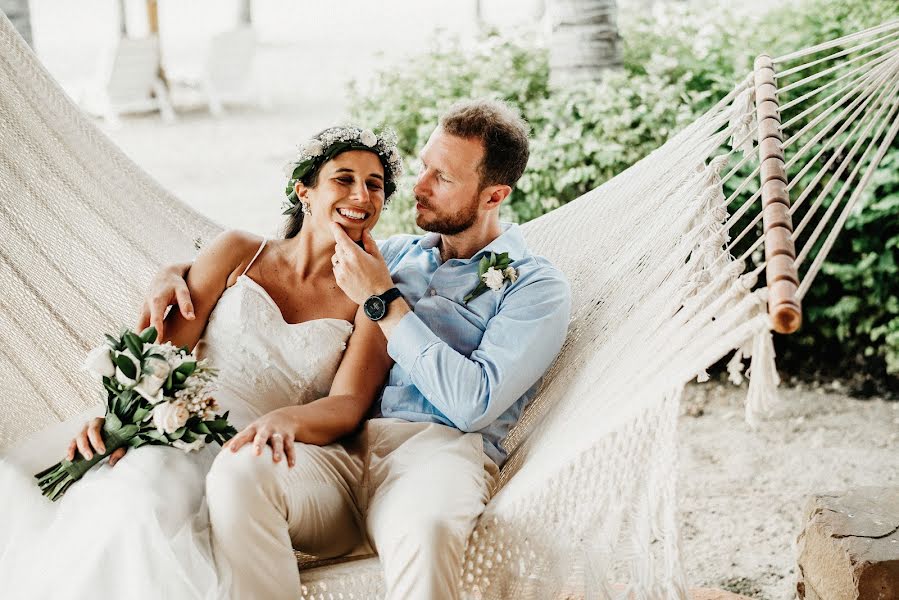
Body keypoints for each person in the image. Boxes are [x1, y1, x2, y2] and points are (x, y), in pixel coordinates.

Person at [145, 99, 572, 600]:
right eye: (424, 168)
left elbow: (472, 403)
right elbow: (286, 264)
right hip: (338, 455)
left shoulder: (535, 287)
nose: (418, 187)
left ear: (493, 195)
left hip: (435, 455)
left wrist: (385, 302)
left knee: (429, 528)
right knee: (240, 472)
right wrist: (174, 273)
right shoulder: (388, 254)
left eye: (443, 178)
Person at [0, 125, 402, 600]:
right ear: (304, 191)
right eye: (344, 178)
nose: (361, 194)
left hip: (252, 449)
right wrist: (114, 419)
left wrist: (284, 420)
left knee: (148, 504)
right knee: (131, 499)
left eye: (374, 184)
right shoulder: (238, 251)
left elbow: (349, 403)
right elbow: (163, 351)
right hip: (170, 425)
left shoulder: (373, 294)